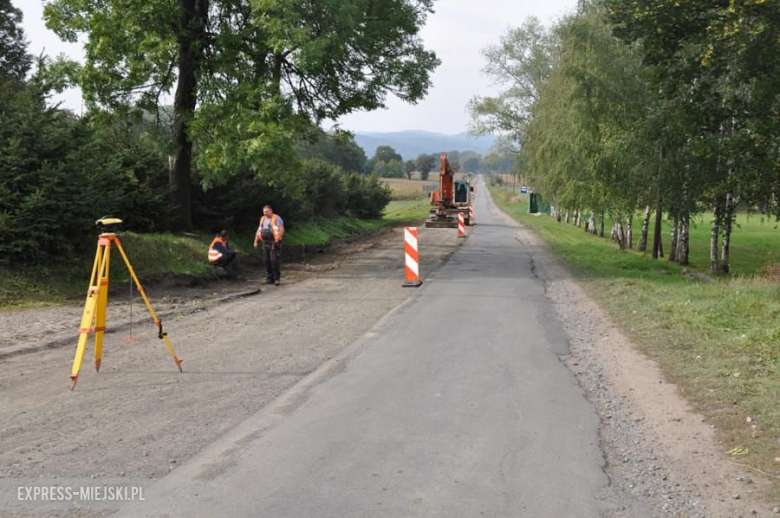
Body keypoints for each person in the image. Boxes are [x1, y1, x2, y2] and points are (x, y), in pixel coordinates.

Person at [253, 205, 284, 285]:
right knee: (267, 260)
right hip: (265, 242)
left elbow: (281, 229)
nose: (265, 213)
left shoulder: (277, 218)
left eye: (266, 212)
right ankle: (269, 278)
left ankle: (277, 279)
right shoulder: (262, 219)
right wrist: (256, 241)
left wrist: (278, 239)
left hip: (274, 242)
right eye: (264, 212)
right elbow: (259, 230)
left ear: (271, 211)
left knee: (274, 260)